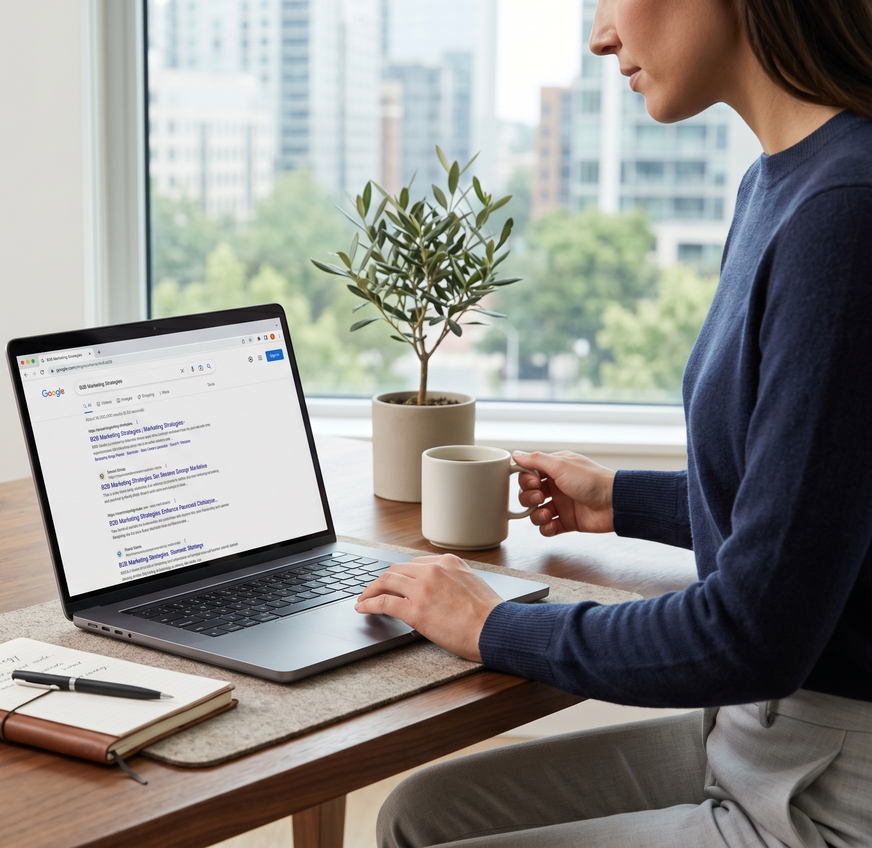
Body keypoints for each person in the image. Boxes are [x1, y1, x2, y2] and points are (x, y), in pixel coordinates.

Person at [353, 0, 872, 845]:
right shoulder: (780, 183)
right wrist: (619, 499)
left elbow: (755, 632)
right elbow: (820, 506)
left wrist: (493, 624)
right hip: (756, 729)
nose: (599, 34)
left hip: (827, 782)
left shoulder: (845, 211)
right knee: (421, 814)